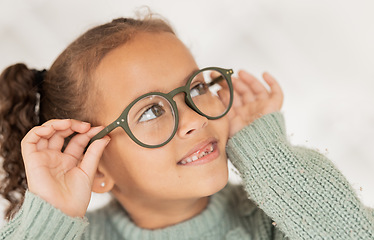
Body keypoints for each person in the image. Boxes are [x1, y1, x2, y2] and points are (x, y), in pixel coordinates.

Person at [0, 15, 373, 240]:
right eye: (149, 112)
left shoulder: (279, 215)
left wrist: (269, 159)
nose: (196, 119)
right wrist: (51, 214)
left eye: (195, 88)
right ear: (96, 166)